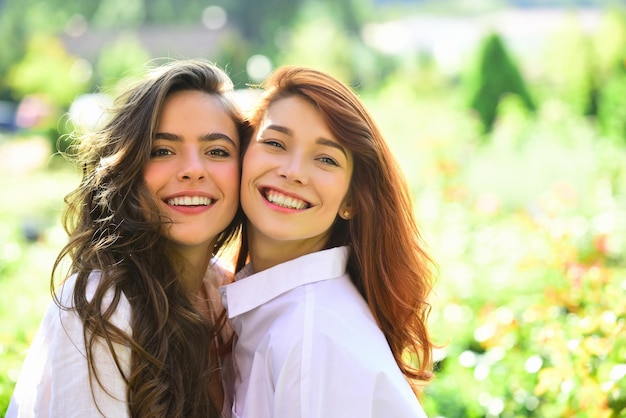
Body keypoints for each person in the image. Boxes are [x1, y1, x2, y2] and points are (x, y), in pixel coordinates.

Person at [7, 59, 249, 418]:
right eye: (162, 150)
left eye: (217, 151)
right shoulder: (102, 308)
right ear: (128, 170)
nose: (193, 169)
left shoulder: (226, 294)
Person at [220, 66, 436, 417]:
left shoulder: (312, 336)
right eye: (275, 143)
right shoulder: (279, 310)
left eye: (326, 159)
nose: (293, 172)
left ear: (351, 201)